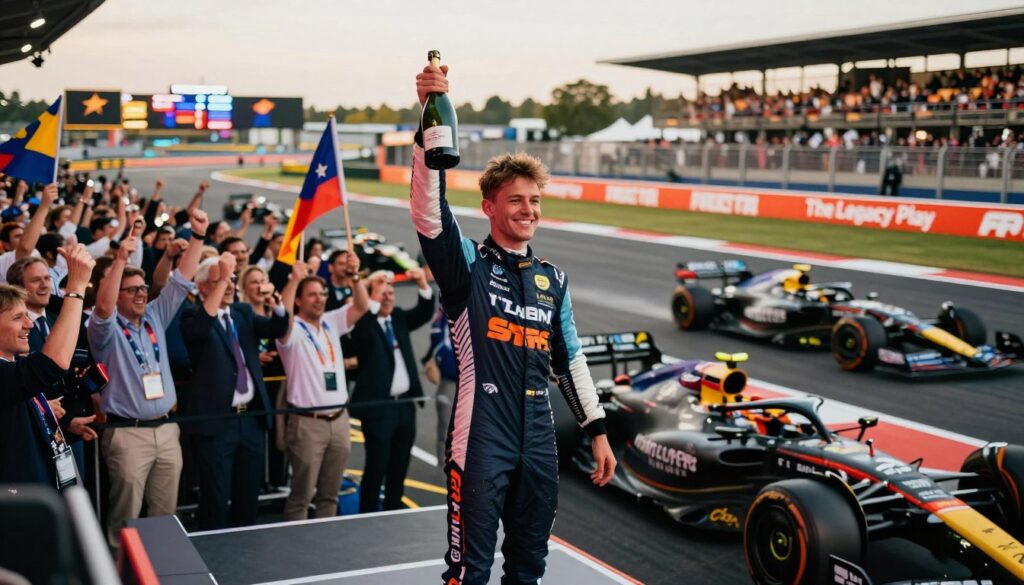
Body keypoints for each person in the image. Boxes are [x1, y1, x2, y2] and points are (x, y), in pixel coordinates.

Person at [412, 64, 615, 585]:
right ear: (489, 206)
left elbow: (570, 361)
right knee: (469, 571)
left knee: (529, 569)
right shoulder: (466, 265)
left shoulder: (553, 280)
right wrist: (427, 123)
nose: (528, 210)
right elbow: (429, 214)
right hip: (481, 435)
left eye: (535, 200)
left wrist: (597, 432)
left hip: (539, 438)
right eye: (516, 200)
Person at [87, 208, 207, 548]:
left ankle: (162, 566)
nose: (141, 294)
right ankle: (117, 567)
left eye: (143, 288)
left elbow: (181, 280)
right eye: (131, 290)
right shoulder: (103, 331)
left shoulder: (155, 315)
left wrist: (198, 236)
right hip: (128, 433)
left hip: (166, 428)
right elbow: (103, 308)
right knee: (125, 515)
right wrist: (120, 259)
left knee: (165, 513)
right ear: (116, 293)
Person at [180, 253, 288, 529]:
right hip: (217, 423)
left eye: (230, 280)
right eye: (221, 280)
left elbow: (276, 328)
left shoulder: (242, 313)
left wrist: (277, 306)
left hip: (251, 419)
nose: (229, 286)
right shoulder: (192, 315)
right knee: (215, 497)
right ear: (202, 287)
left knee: (248, 495)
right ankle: (213, 548)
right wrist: (224, 278)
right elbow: (199, 331)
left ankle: (245, 545)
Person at [275, 254, 369, 520]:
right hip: (308, 423)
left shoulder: (331, 321)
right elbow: (282, 315)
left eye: (322, 293)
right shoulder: (291, 330)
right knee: (301, 497)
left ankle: (325, 542)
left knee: (330, 495)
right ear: (299, 300)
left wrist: (355, 277)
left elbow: (361, 306)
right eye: (312, 294)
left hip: (339, 420)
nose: (319, 299)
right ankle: (296, 544)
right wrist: (295, 280)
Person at [0, 244, 94, 489]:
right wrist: (76, 288)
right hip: (21, 501)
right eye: (18, 318)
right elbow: (52, 364)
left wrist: (37, 407)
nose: (29, 325)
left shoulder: (14, 365)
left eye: (26, 316)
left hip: (46, 488)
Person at [349, 268, 434, 512]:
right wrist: (373, 299)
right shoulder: (363, 323)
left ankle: (393, 509)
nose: (388, 298)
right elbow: (359, 338)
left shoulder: (397, 318)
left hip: (405, 405)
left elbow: (423, 313)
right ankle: (367, 515)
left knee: (399, 465)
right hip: (379, 408)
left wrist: (422, 284)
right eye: (382, 294)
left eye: (390, 294)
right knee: (376, 466)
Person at [422, 305, 458, 464]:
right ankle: (445, 469)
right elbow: (436, 337)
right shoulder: (445, 310)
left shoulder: (481, 306)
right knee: (447, 428)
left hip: (476, 383)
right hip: (450, 381)